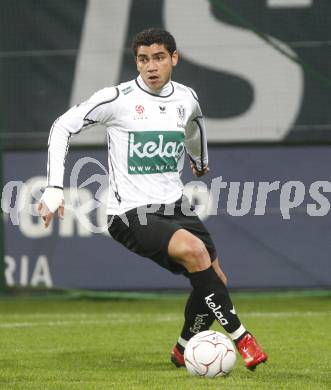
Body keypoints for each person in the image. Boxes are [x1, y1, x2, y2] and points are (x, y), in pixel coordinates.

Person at [38, 28, 268, 370]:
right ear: (137, 63)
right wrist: (54, 187)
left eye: (159, 57)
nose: (151, 66)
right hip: (129, 213)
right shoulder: (117, 99)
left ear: (174, 58)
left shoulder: (186, 98)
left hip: (175, 205)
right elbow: (61, 127)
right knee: (194, 251)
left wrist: (200, 161)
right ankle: (242, 339)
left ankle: (183, 347)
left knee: (215, 280)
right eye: (143, 59)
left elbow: (194, 128)